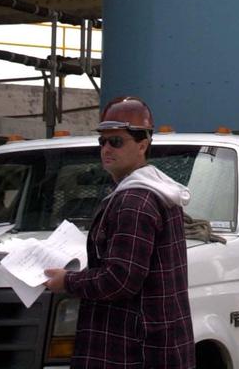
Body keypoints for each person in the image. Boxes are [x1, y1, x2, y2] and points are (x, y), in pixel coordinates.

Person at [44, 96, 195, 369]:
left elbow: (121, 279)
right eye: (102, 141)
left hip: (131, 352)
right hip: (153, 346)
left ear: (143, 144)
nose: (106, 149)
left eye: (116, 141)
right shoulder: (157, 191)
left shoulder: (134, 201)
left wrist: (68, 281)